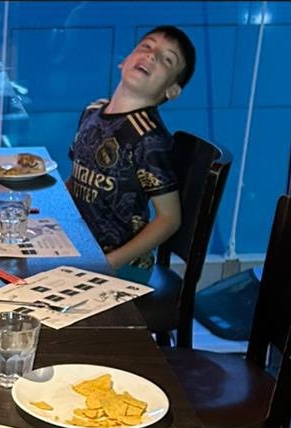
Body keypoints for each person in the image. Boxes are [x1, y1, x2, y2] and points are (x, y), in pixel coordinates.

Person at [66, 25, 195, 274]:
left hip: (123, 266)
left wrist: (109, 263)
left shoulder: (148, 139)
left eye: (167, 59)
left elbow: (170, 219)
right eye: (146, 46)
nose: (152, 56)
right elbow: (75, 181)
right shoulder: (92, 113)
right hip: (80, 249)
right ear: (124, 61)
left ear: (172, 90)